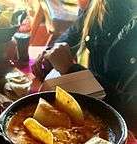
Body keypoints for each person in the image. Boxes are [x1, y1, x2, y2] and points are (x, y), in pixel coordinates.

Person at [32, 0, 137, 134]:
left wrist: (71, 70)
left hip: (121, 128)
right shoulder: (99, 4)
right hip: (90, 108)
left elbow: (132, 113)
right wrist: (51, 53)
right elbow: (72, 34)